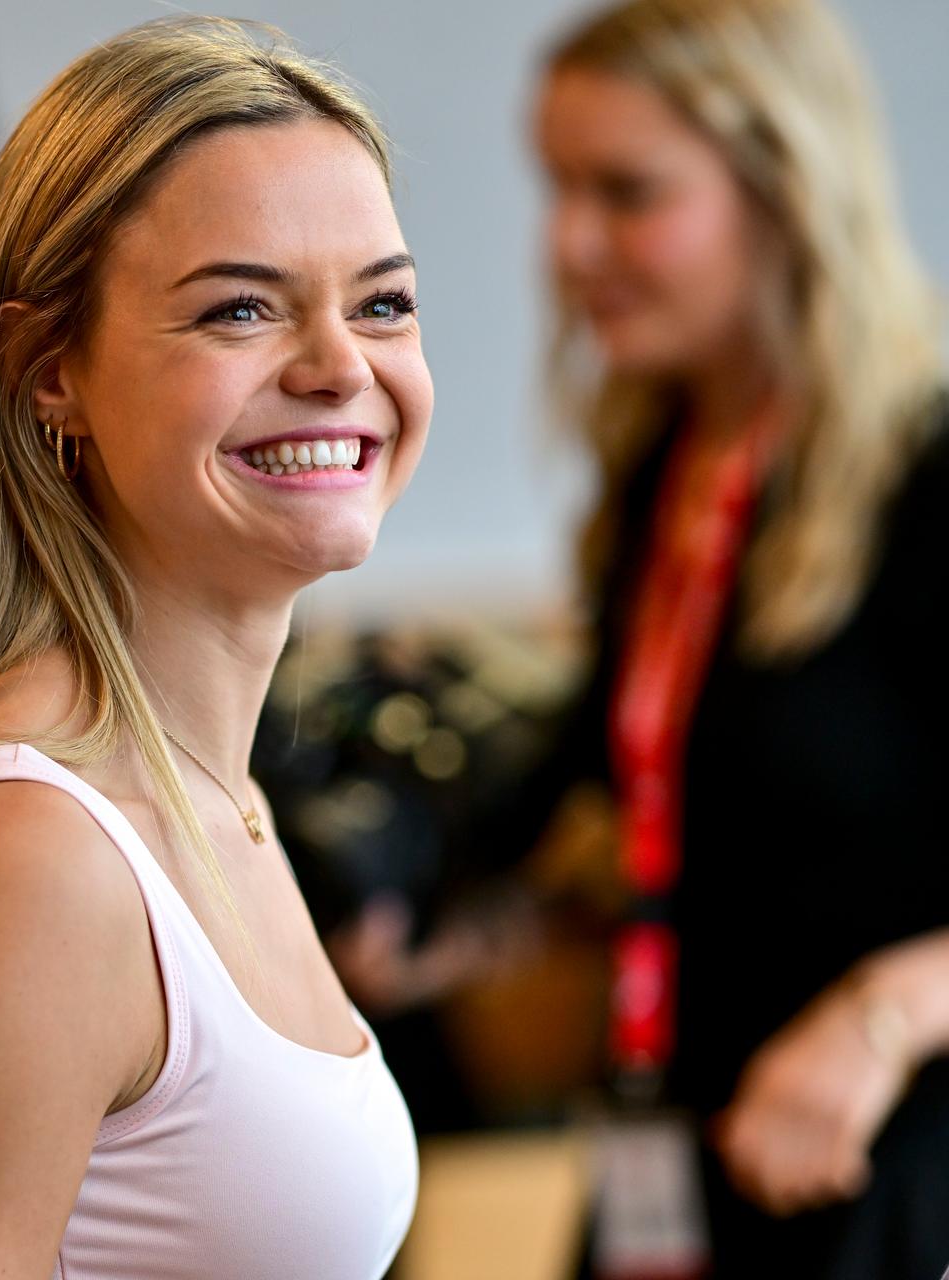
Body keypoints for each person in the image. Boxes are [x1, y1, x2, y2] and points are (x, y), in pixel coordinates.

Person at [0, 17, 430, 1278]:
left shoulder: (208, 791)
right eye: (241, 308)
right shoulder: (26, 854)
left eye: (384, 301)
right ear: (50, 371)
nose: (339, 365)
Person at [521, 0, 949, 1273]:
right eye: (557, 189)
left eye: (628, 192)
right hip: (686, 1133)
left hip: (878, 1164)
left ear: (786, 191)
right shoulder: (663, 469)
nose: (570, 243)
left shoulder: (931, 482)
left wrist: (883, 1017)